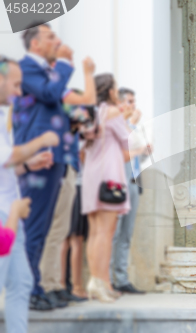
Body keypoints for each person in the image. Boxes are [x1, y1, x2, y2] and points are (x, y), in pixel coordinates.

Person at [12, 23, 74, 310]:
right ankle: (30, 288)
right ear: (35, 43)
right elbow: (49, 96)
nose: (57, 41)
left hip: (53, 159)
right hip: (37, 158)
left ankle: (35, 284)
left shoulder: (45, 72)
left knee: (44, 227)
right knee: (35, 227)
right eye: (51, 37)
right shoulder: (26, 67)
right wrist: (64, 64)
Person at [0, 56, 59, 333]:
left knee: (21, 282)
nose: (18, 91)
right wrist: (42, 141)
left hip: (13, 211)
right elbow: (9, 155)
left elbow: (6, 164)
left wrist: (28, 165)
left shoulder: (3, 116)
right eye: (14, 84)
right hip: (5, 215)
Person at [39, 57, 96, 306]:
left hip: (68, 166)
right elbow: (87, 102)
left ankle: (55, 284)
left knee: (60, 231)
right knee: (54, 232)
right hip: (55, 167)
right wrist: (87, 73)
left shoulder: (62, 106)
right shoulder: (50, 98)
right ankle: (47, 285)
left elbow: (84, 115)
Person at [81, 73, 132, 302]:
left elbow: (81, 149)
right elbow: (129, 143)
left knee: (94, 233)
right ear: (110, 91)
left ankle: (97, 281)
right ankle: (99, 283)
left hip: (91, 176)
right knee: (105, 233)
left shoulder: (89, 114)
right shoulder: (113, 113)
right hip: (110, 178)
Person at [110, 87, 145, 293]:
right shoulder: (116, 126)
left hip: (133, 183)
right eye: (130, 101)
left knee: (126, 234)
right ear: (121, 103)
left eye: (134, 101)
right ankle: (105, 280)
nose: (134, 105)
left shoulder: (132, 127)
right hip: (116, 185)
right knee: (112, 234)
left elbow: (134, 155)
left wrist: (144, 152)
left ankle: (121, 279)